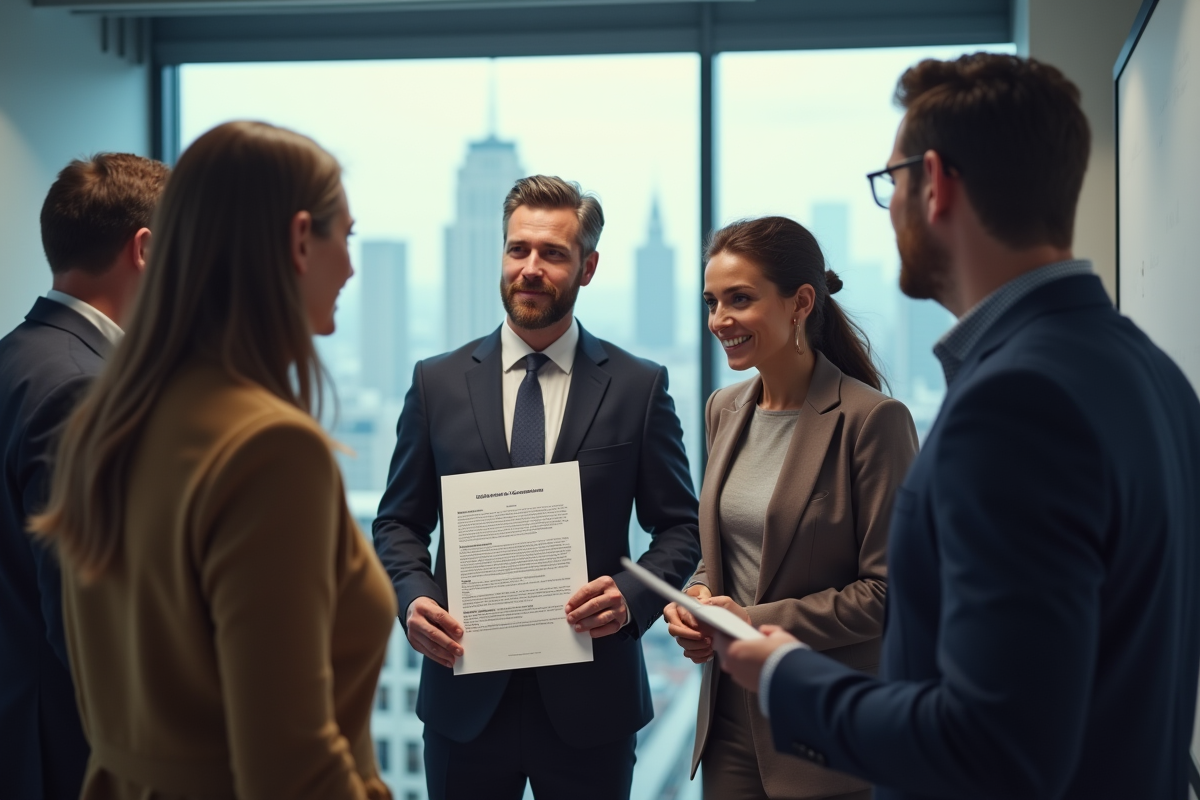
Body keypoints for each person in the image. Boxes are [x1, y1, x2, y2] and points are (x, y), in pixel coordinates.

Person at [710, 53, 1200, 800]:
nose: (890, 208)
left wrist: (787, 675)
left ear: (933, 183)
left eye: (891, 183)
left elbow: (991, 745)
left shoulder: (1015, 403)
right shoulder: (1152, 371)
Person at [29, 121, 396, 799]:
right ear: (298, 240)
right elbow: (292, 771)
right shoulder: (269, 448)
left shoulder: (110, 418)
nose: (349, 266)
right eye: (344, 236)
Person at [373, 175, 700, 800]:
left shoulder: (639, 387)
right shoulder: (436, 382)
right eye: (517, 249)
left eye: (552, 253)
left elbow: (681, 526)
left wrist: (631, 598)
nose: (530, 268)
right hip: (463, 695)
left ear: (587, 267)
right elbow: (398, 523)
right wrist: (413, 600)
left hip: (593, 702)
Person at [664, 216, 917, 800]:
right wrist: (696, 601)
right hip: (728, 721)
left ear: (801, 302)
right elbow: (723, 551)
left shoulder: (872, 421)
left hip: (821, 726)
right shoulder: (724, 409)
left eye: (740, 299)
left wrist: (748, 622)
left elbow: (890, 594)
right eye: (712, 302)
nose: (719, 320)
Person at [0, 153, 167, 800]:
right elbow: (85, 621)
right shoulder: (83, 389)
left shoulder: (17, 357)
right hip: (70, 754)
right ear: (145, 250)